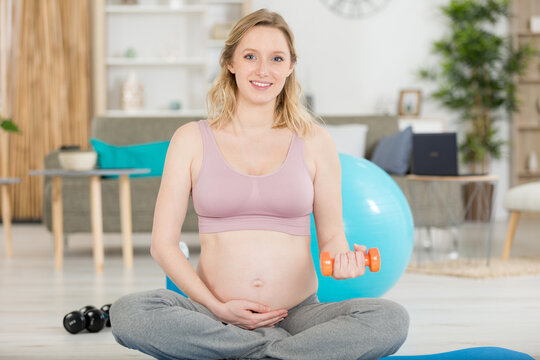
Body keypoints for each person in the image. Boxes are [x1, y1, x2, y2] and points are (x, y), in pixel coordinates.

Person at [110, 9, 409, 360]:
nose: (263, 70)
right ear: (230, 62)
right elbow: (163, 245)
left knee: (390, 319)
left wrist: (345, 262)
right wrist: (217, 308)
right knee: (130, 312)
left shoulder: (315, 141)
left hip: (298, 315)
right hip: (212, 315)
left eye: (276, 58)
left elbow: (331, 238)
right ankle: (281, 354)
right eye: (250, 56)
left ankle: (246, 353)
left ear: (290, 66)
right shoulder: (190, 139)